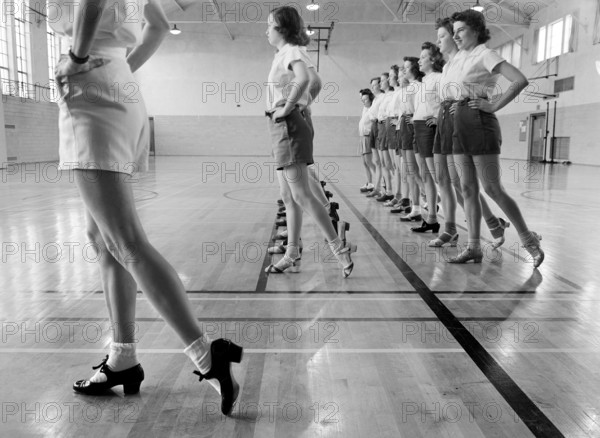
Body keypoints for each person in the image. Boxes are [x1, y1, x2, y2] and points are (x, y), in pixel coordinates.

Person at [51, 0, 242, 415]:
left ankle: (207, 354)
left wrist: (78, 56)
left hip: (91, 83)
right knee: (103, 240)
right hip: (116, 81)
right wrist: (117, 70)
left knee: (125, 242)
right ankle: (123, 358)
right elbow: (156, 25)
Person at [265, 5, 356, 277]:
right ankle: (292, 251)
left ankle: (339, 248)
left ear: (282, 28)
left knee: (301, 194)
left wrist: (290, 106)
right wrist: (305, 105)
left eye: (269, 25)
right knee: (288, 197)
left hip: (288, 124)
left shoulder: (291, 51)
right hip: (285, 123)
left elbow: (305, 79)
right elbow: (315, 81)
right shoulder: (286, 53)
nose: (266, 30)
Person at [448, 9, 544, 267]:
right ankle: (474, 248)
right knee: (467, 188)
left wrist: (493, 105)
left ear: (476, 30)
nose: (456, 35)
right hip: (461, 123)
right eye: (454, 31)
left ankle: (529, 240)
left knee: (491, 188)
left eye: (461, 30)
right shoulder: (459, 58)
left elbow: (519, 80)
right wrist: (460, 104)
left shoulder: (485, 54)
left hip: (480, 123)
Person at [429, 17, 510, 249]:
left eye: (444, 35)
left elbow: (473, 91)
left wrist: (483, 104)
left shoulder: (470, 60)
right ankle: (486, 224)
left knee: (462, 183)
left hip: (462, 120)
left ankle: (481, 229)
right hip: (445, 119)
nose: (443, 40)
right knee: (449, 180)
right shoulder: (448, 66)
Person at [358, 89, 376, 192]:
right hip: (362, 136)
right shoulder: (365, 109)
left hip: (368, 136)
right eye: (362, 99)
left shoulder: (372, 110)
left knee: (369, 161)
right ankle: (370, 183)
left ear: (370, 99)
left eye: (365, 99)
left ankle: (380, 182)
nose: (363, 101)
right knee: (365, 162)